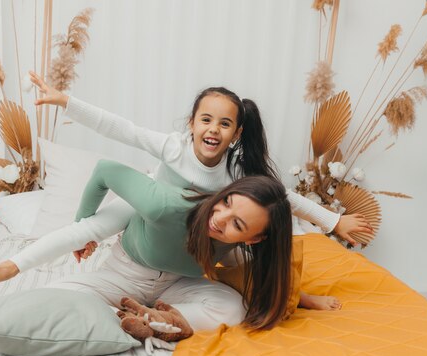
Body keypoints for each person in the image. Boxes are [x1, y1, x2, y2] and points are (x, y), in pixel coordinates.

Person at [26, 71, 372, 310]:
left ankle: (297, 297)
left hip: (202, 241)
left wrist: (333, 222)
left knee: (254, 258)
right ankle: (79, 243)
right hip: (155, 225)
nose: (213, 129)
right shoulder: (173, 148)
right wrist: (67, 102)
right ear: (192, 123)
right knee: (110, 218)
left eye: (225, 124)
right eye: (206, 120)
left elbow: (282, 196)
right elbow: (121, 129)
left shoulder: (235, 171)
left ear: (236, 134)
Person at [0, 160, 293, 341]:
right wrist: (13, 266)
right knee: (53, 298)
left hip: (174, 288)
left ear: (252, 239)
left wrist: (303, 297)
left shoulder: (232, 247)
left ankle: (163, 322)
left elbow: (260, 271)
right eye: (225, 202)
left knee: (233, 306)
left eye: (237, 224)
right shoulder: (161, 207)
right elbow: (82, 230)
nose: (219, 219)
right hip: (121, 277)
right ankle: (126, 316)